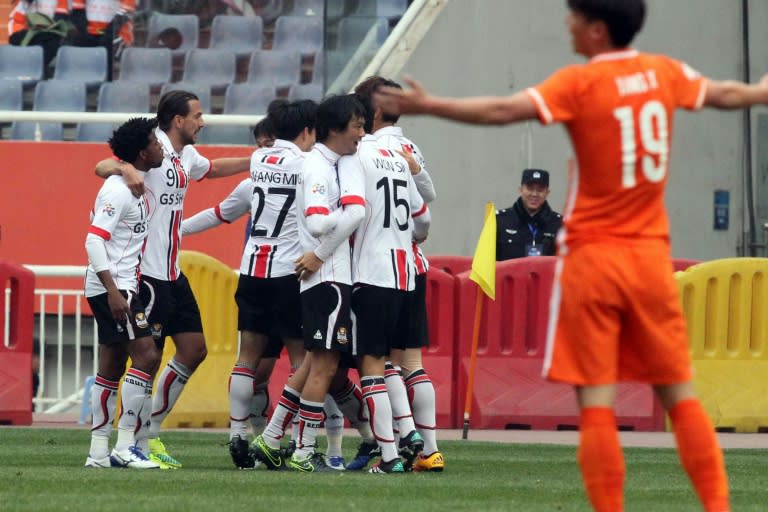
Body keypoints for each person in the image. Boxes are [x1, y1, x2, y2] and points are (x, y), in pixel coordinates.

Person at [381, 0, 768, 509]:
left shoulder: (581, 83)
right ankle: (718, 505)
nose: (567, 23)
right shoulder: (663, 72)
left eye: (574, 16)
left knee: (596, 403)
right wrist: (760, 91)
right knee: (679, 393)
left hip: (593, 260)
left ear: (597, 29)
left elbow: (503, 110)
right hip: (650, 258)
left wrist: (433, 106)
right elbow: (725, 94)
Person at [94, 89, 251, 469]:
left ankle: (145, 434)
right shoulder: (153, 148)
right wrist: (124, 168)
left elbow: (210, 169)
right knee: (143, 357)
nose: (203, 121)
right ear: (177, 120)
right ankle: (132, 443)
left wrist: (255, 162)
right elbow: (102, 165)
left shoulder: (186, 155)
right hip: (145, 273)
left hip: (172, 271)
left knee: (195, 348)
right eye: (197, 115)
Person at [250, 94, 370, 473]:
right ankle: (303, 451)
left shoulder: (328, 162)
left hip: (321, 277)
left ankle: (271, 439)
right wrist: (328, 243)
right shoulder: (317, 166)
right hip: (329, 277)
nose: (361, 133)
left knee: (316, 364)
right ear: (334, 129)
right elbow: (319, 223)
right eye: (356, 126)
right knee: (325, 368)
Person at [352, 75, 443, 472]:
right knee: (411, 362)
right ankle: (430, 449)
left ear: (367, 113)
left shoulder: (364, 151)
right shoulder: (407, 147)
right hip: (412, 265)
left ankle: (399, 442)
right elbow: (427, 204)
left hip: (374, 268)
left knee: (377, 362)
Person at [83, 117, 164, 469]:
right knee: (146, 356)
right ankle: (126, 444)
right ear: (144, 152)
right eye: (155, 143)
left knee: (113, 364)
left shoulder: (137, 177)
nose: (160, 147)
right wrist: (115, 293)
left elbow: (106, 164)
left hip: (120, 283)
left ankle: (99, 451)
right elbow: (93, 239)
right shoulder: (118, 189)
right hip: (115, 287)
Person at [495, 168, 562, 260]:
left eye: (540, 190)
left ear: (547, 193)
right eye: (530, 189)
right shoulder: (500, 221)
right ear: (520, 189)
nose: (534, 194)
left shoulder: (559, 224)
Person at [70, 0, 136, 80]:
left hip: (117, 31)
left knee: (108, 47)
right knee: (78, 49)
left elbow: (126, 10)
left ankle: (107, 86)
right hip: (89, 30)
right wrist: (85, 29)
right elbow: (77, 8)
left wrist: (108, 31)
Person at [8, 0, 71, 69]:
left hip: (52, 35)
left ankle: (34, 70)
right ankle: (31, 69)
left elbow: (59, 22)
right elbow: (15, 23)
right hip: (30, 35)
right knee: (18, 40)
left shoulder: (60, 2)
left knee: (52, 40)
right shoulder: (23, 3)